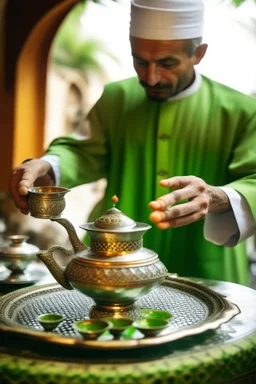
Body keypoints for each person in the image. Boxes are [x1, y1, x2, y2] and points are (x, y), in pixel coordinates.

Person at [9, 0, 256, 285]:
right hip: (112, 263)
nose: (151, 77)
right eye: (140, 61)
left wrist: (218, 197)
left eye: (167, 63)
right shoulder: (117, 97)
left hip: (207, 266)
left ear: (198, 54)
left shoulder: (241, 111)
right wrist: (46, 167)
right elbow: (82, 152)